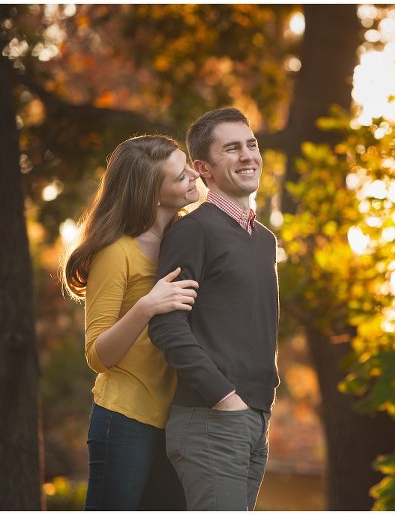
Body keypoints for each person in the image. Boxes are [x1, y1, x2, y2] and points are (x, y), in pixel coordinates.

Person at [148, 107, 280, 511]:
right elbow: (167, 326)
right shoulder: (193, 230)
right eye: (232, 148)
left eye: (251, 145)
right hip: (211, 418)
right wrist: (224, 397)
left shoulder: (265, 239)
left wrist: (252, 408)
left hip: (255, 419)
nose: (247, 156)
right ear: (203, 168)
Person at [60, 134, 200, 510]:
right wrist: (146, 306)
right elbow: (97, 355)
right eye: (180, 175)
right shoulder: (115, 252)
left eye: (187, 166)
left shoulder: (184, 239)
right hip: (124, 419)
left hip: (176, 418)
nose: (193, 175)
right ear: (153, 194)